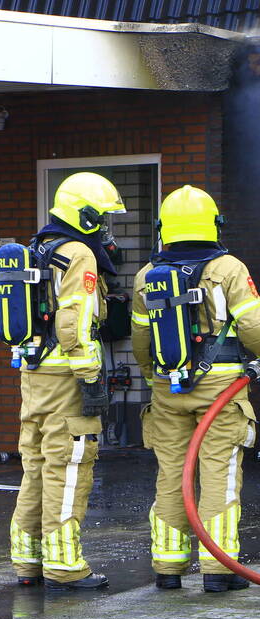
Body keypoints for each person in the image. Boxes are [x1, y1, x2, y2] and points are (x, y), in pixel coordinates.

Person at [131, 185, 260, 592]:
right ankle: (218, 571)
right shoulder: (229, 269)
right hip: (221, 387)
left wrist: (154, 376)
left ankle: (167, 569)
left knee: (171, 474)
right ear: (213, 223)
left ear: (163, 228)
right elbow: (254, 326)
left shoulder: (145, 276)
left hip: (167, 389)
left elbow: (140, 341)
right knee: (218, 474)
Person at [9, 172, 125, 590]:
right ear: (87, 214)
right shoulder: (78, 253)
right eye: (103, 218)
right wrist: (91, 373)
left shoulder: (40, 247)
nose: (106, 228)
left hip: (34, 373)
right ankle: (64, 565)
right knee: (69, 465)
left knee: (36, 465)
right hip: (66, 377)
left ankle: (28, 560)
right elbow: (74, 318)